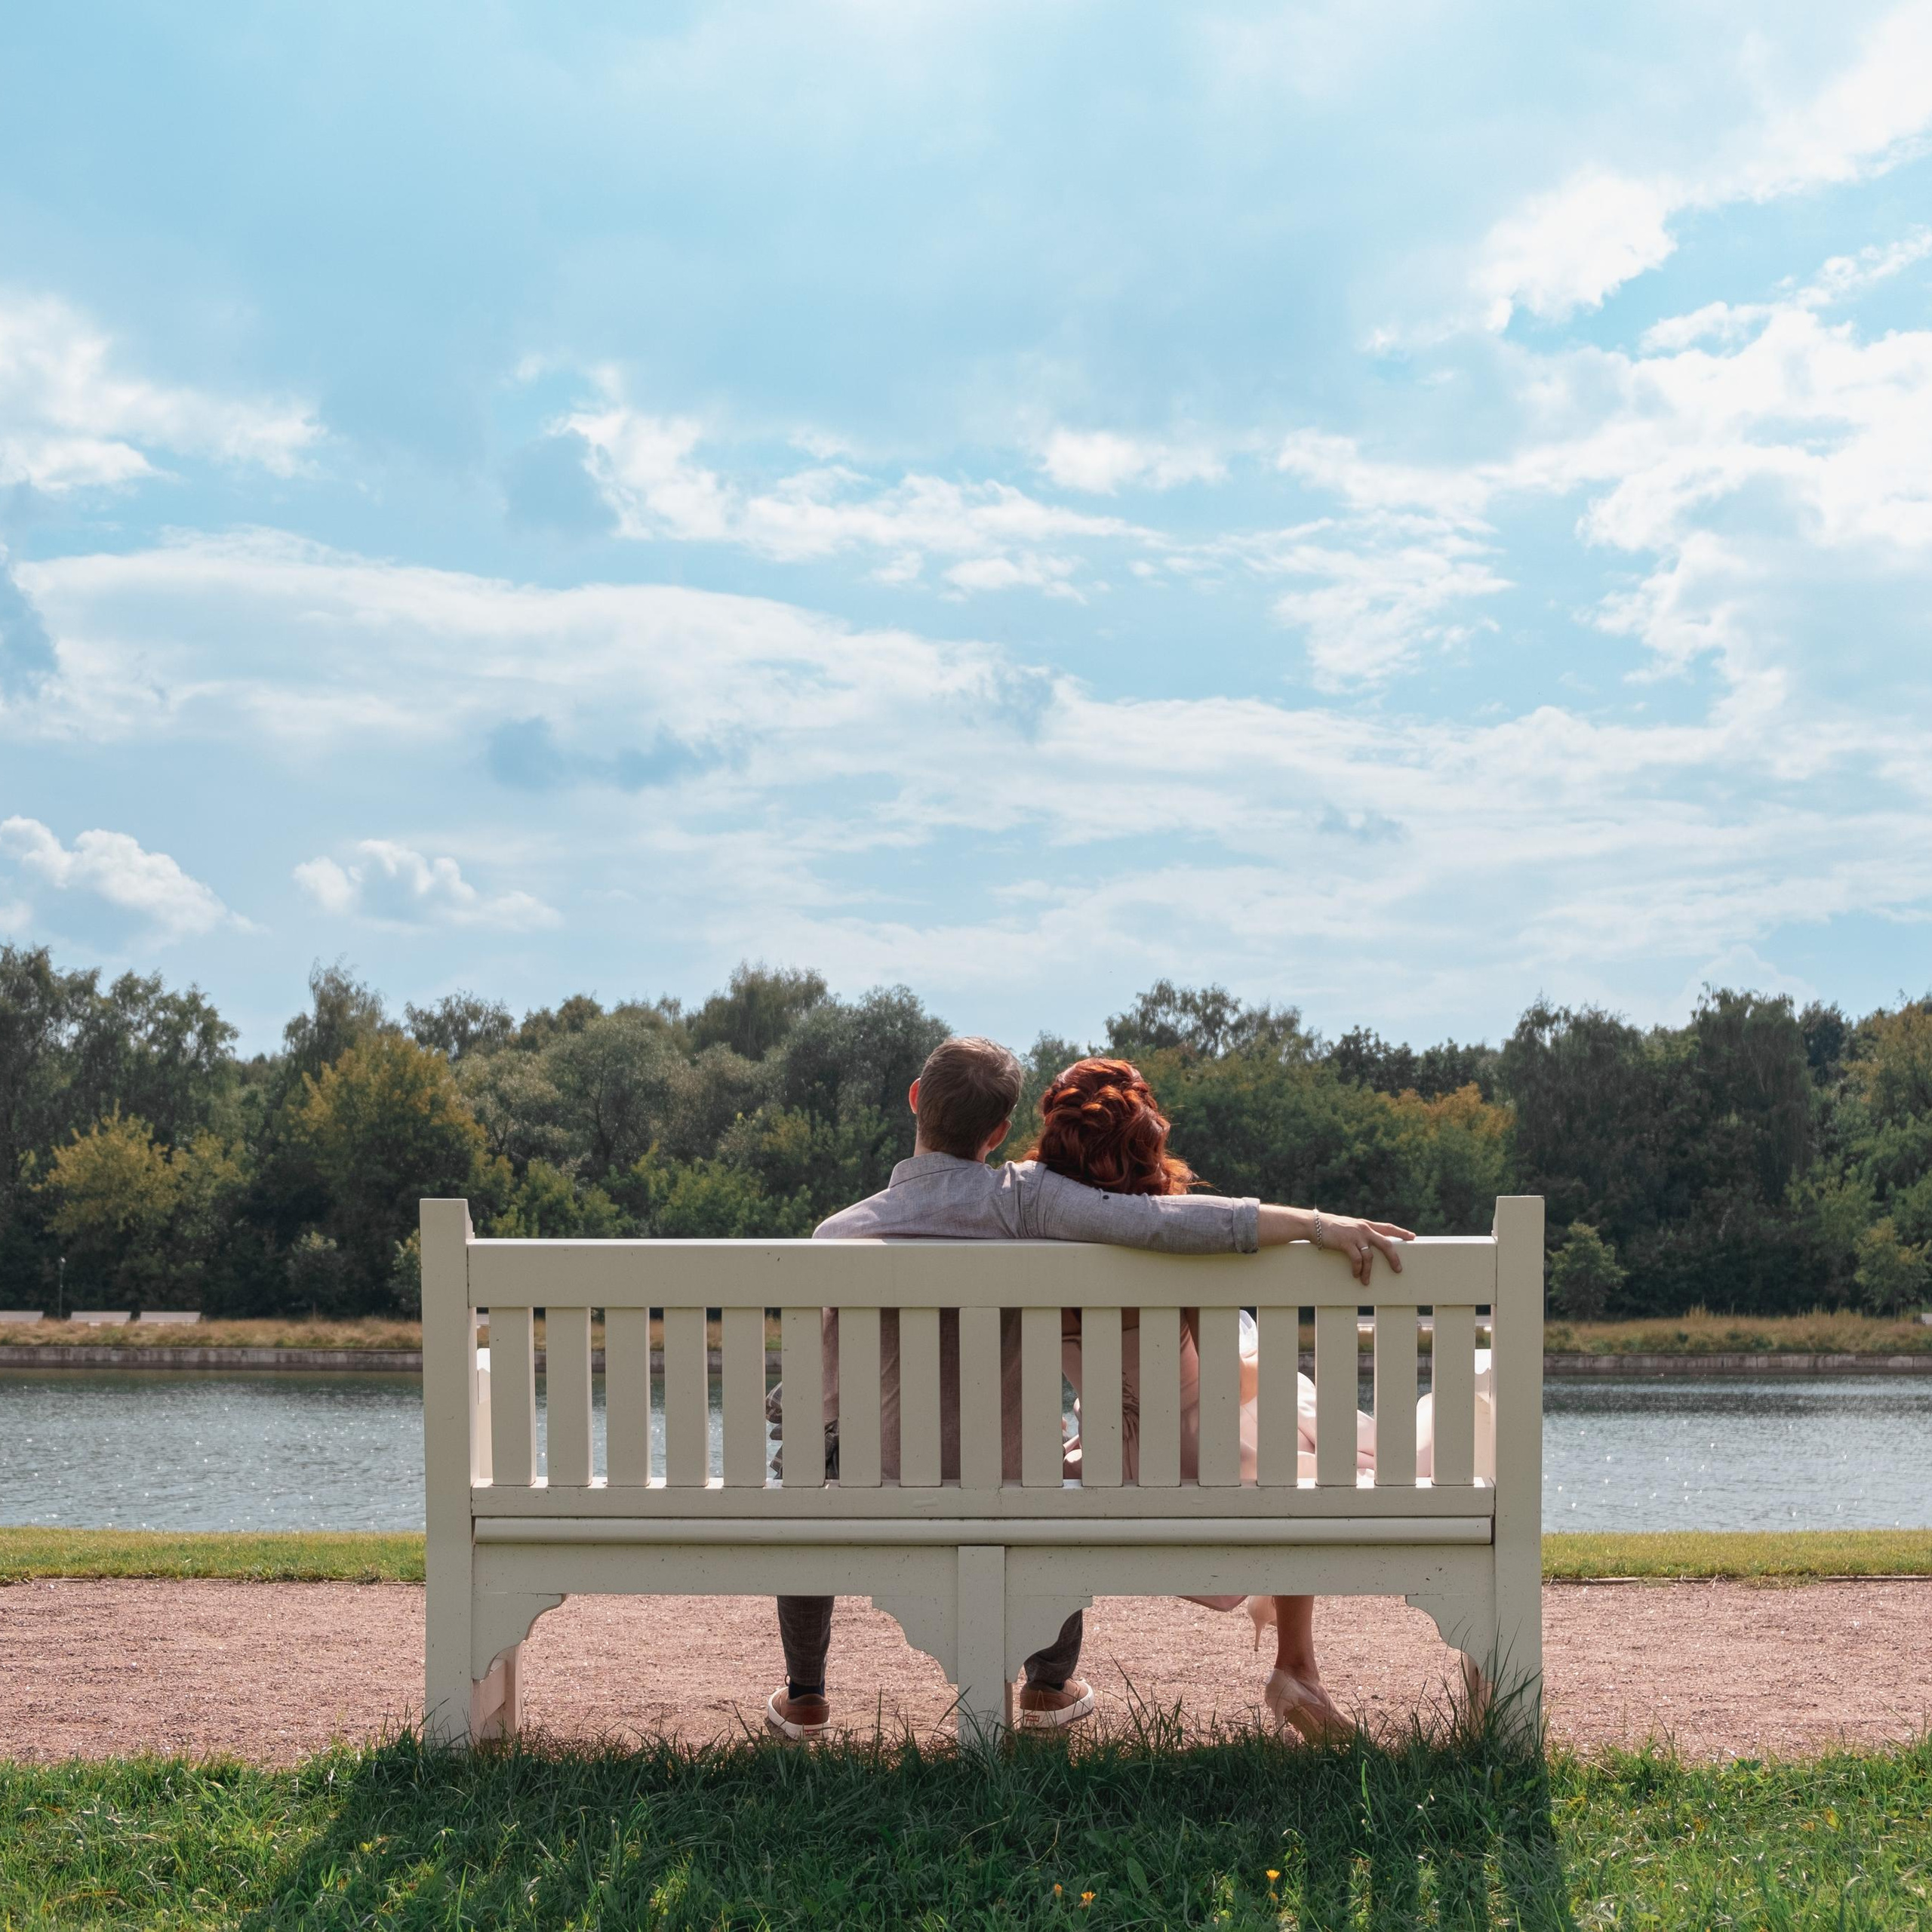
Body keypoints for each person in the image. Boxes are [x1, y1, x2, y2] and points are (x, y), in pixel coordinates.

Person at [764, 1035, 1414, 1743]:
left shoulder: (836, 1235)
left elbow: (814, 1399)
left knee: (805, 1460)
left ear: (917, 1101)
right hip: (1009, 1478)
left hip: (872, 1484)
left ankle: (805, 1695)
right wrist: (1319, 1224)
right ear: (1000, 1132)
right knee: (1047, 1457)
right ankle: (1046, 1685)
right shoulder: (1026, 1204)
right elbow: (1163, 1222)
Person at [1027, 1057, 1419, 1740]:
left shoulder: (1026, 1235)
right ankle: (1297, 1668)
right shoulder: (1178, 1239)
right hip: (1204, 1458)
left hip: (1116, 1461)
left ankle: (1041, 1685)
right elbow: (1225, 1382)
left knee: (1275, 1421)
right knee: (1285, 1421)